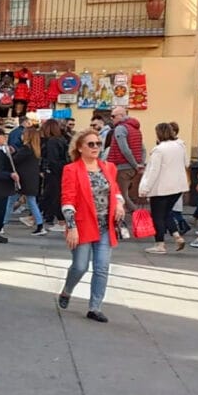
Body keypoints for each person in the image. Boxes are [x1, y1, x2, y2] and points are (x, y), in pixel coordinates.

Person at [57, 129, 124, 323]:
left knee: (102, 267)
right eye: (91, 144)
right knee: (80, 266)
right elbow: (67, 199)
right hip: (82, 224)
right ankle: (67, 290)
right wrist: (71, 227)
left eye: (98, 144)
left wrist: (119, 203)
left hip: (105, 225)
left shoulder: (108, 167)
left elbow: (116, 190)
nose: (96, 147)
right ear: (80, 147)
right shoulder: (71, 169)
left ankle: (95, 307)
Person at [139, 121, 190, 254]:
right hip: (178, 186)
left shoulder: (159, 150)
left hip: (161, 187)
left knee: (157, 216)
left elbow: (153, 171)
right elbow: (187, 163)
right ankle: (177, 236)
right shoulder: (180, 146)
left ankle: (160, 244)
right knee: (167, 213)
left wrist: (145, 188)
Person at [9, 118, 46, 235]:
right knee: (31, 201)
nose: (21, 136)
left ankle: (1, 224)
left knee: (11, 201)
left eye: (23, 134)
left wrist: (12, 153)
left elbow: (14, 160)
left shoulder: (26, 149)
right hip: (32, 179)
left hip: (23, 180)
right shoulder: (35, 149)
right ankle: (40, 225)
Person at [106, 106, 144, 210]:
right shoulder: (135, 129)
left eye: (113, 116)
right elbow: (142, 148)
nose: (111, 119)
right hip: (131, 167)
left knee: (120, 196)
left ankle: (137, 215)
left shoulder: (120, 128)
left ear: (121, 116)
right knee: (123, 195)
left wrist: (135, 165)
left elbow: (125, 150)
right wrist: (140, 164)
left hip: (122, 167)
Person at [39, 118, 69, 233]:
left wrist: (47, 169)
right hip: (62, 171)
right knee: (56, 196)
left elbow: (52, 159)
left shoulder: (51, 141)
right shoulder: (62, 139)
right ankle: (60, 220)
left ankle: (61, 221)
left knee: (53, 196)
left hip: (54, 172)